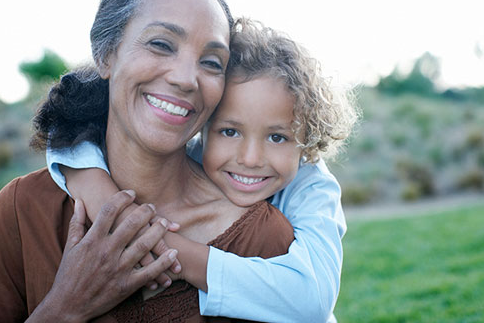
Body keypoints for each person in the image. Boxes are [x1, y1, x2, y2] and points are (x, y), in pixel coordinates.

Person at [47, 19, 357, 323]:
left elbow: (312, 300)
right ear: (202, 123)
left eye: (277, 137)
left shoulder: (313, 186)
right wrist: (91, 182)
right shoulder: (192, 154)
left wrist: (165, 249)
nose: (250, 158)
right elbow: (68, 128)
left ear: (307, 142)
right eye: (229, 131)